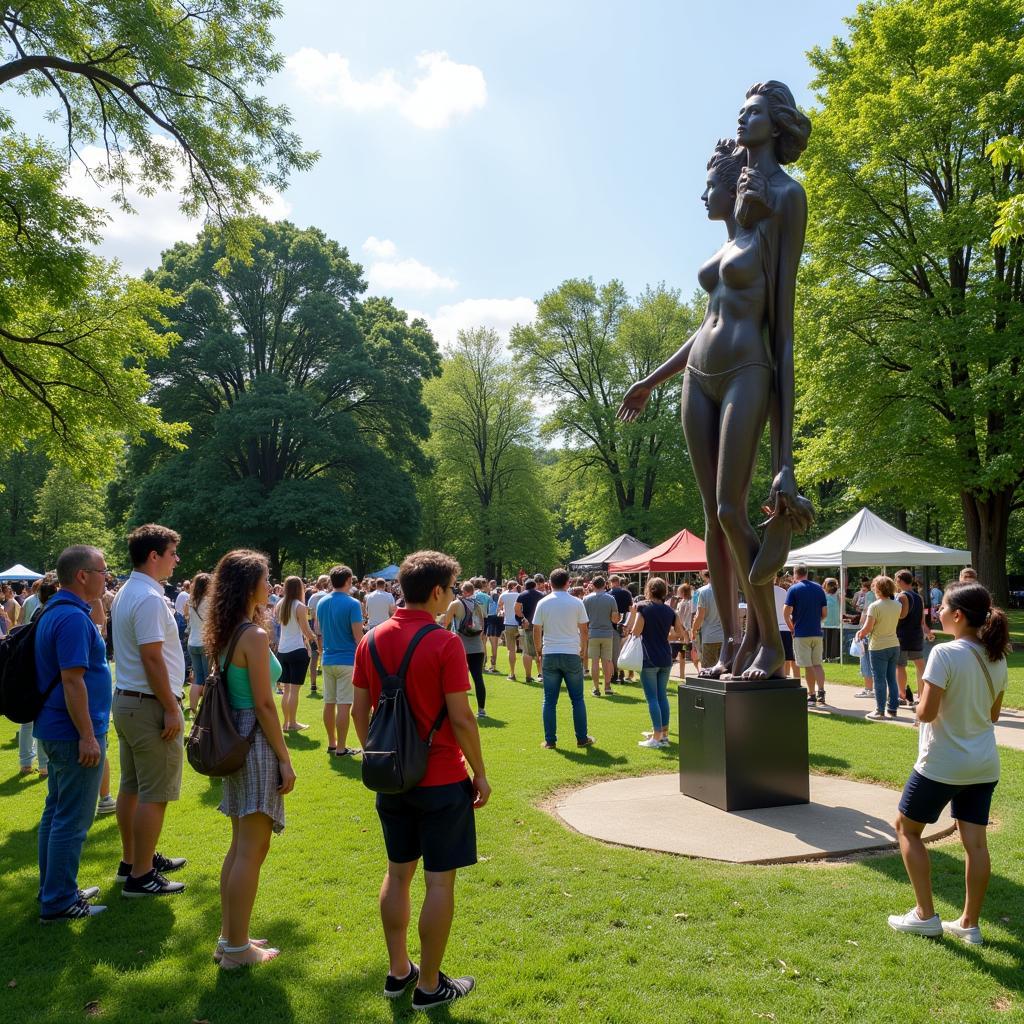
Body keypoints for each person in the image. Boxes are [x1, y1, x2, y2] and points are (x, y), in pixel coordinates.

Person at [618, 88, 815, 681]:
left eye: (755, 110)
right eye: (742, 111)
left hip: (748, 370)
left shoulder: (784, 198)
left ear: (776, 124)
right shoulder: (729, 232)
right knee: (712, 515)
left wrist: (785, 459)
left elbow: (782, 330)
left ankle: (768, 643)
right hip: (698, 376)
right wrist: (651, 380)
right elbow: (706, 322)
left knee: (734, 508)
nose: (743, 116)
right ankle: (732, 643)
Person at [352, 550, 490, 1011]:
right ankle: (429, 985)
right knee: (439, 883)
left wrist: (382, 757)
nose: (451, 598)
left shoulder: (370, 640)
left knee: (397, 873)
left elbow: (359, 711)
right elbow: (462, 718)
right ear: (437, 591)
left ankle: (398, 972)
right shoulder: (444, 643)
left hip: (391, 779)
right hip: (441, 778)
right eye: (450, 590)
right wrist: (481, 772)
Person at [887, 581, 1008, 945]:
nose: (936, 612)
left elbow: (927, 711)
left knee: (906, 830)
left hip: (942, 763)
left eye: (942, 609)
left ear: (957, 615)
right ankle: (969, 923)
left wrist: (916, 706)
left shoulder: (943, 653)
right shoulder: (997, 656)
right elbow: (994, 714)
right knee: (976, 843)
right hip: (983, 764)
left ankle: (925, 915)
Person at [200, 549, 295, 968]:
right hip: (253, 742)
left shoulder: (228, 631)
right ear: (247, 585)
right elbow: (264, 704)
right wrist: (285, 758)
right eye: (265, 577)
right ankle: (237, 949)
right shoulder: (252, 636)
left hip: (236, 742)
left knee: (240, 846)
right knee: (250, 850)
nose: (270, 584)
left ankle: (231, 937)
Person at [33, 547, 112, 921]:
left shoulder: (57, 611)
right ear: (82, 575)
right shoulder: (72, 620)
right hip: (71, 733)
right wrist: (87, 735)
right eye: (102, 570)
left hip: (54, 729)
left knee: (56, 812)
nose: (106, 577)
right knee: (72, 818)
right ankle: (60, 901)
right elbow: (72, 680)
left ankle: (54, 889)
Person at [110, 523, 188, 897]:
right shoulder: (149, 597)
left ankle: (133, 861)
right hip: (148, 704)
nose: (176, 560)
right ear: (154, 556)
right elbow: (152, 658)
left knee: (133, 788)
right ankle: (141, 875)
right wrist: (172, 708)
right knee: (154, 793)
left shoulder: (130, 591)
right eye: (172, 553)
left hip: (130, 701)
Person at [532, 568, 593, 749]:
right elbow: (584, 630)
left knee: (549, 700)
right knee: (577, 699)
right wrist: (583, 649)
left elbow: (536, 629)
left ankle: (550, 741)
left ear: (549, 583)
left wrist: (538, 650)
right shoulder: (576, 602)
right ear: (568, 583)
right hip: (571, 652)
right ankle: (581, 738)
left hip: (550, 652)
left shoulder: (543, 602)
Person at [316, 564, 364, 756]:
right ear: (348, 581)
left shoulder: (321, 602)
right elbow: (358, 636)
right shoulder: (353, 603)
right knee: (344, 704)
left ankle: (332, 743)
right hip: (347, 659)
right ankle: (341, 748)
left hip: (328, 657)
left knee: (329, 702)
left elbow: (320, 631)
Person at [19, 573, 60, 779]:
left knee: (28, 722)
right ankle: (43, 765)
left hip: (28, 669)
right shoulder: (49, 614)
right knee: (41, 717)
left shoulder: (36, 610)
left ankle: (26, 763)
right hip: (40, 671)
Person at [631, 577, 677, 748]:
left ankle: (657, 736)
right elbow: (678, 633)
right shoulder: (670, 611)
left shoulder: (644, 609)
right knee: (661, 696)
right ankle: (663, 734)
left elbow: (636, 631)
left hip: (649, 657)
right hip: (665, 656)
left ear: (648, 590)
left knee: (652, 698)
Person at [856, 575, 903, 721]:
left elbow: (867, 628)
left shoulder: (875, 606)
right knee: (891, 679)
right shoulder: (897, 605)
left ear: (878, 589)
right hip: (894, 644)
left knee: (879, 679)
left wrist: (860, 633)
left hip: (878, 646)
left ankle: (880, 710)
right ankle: (892, 708)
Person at [274, 576, 315, 732]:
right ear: (299, 588)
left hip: (283, 651)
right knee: (294, 691)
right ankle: (292, 723)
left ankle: (286, 723)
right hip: (297, 650)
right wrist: (317, 643)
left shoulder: (280, 604)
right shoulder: (299, 606)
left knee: (287, 690)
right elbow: (306, 630)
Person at [784, 565, 827, 705]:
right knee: (817, 665)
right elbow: (824, 613)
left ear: (795, 574)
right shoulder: (819, 589)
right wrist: (815, 621)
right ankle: (821, 691)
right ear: (807, 573)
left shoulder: (793, 589)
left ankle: (812, 694)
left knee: (808, 666)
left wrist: (792, 628)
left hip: (802, 633)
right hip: (816, 631)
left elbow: (786, 613)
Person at [444, 581, 487, 717]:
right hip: (477, 647)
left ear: (462, 591)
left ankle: (457, 710)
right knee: (478, 678)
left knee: (457, 679)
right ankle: (481, 710)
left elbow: (445, 623)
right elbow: (482, 626)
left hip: (459, 645)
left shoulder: (455, 604)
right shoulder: (478, 604)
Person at [896, 569, 934, 707]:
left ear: (900, 581)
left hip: (903, 635)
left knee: (900, 666)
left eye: (896, 580)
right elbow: (922, 621)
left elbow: (901, 616)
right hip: (916, 634)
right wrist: (927, 632)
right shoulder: (919, 597)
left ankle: (902, 695)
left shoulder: (902, 596)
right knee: (920, 665)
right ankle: (923, 694)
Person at [582, 576, 620, 696]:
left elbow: (584, 619)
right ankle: (607, 687)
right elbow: (615, 619)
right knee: (607, 661)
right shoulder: (611, 599)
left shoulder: (586, 599)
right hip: (607, 633)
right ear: (605, 585)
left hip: (593, 632)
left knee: (594, 662)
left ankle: (596, 687)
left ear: (593, 585)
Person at [184, 572, 211, 715]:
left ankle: (193, 708)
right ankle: (206, 709)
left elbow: (186, 615)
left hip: (192, 642)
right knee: (208, 678)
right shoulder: (210, 601)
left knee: (197, 678)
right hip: (205, 642)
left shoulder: (190, 600)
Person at [691, 569, 723, 671]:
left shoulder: (702, 592)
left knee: (709, 671)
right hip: (726, 637)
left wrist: (693, 630)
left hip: (710, 637)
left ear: (706, 576)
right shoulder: (728, 589)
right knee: (725, 670)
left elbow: (700, 616)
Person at [515, 579, 544, 683]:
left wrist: (523, 619)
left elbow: (517, 610)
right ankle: (541, 674)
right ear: (535, 585)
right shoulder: (542, 595)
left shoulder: (522, 595)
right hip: (540, 626)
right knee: (540, 651)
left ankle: (528, 676)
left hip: (527, 626)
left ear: (525, 586)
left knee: (527, 652)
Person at [607, 575, 633, 683]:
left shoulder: (608, 595)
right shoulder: (627, 593)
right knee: (623, 649)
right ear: (619, 582)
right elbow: (631, 609)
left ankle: (616, 673)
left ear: (610, 582)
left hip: (612, 624)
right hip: (625, 624)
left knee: (614, 651)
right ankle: (623, 672)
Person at [307, 574, 331, 695]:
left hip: (314, 630)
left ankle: (313, 684)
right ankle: (328, 685)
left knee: (314, 658)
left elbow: (309, 616)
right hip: (327, 631)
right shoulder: (328, 597)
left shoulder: (313, 597)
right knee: (326, 657)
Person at [773, 574, 796, 678]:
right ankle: (786, 677)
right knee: (787, 657)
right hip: (784, 628)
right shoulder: (783, 592)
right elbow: (789, 611)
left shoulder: (762, 592)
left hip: (772, 629)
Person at [497, 581, 521, 681]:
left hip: (509, 624)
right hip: (520, 624)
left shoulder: (503, 595)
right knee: (527, 651)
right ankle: (533, 674)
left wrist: (503, 610)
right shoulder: (520, 595)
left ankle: (512, 673)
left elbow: (499, 607)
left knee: (511, 650)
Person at [484, 584, 502, 673]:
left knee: (490, 643)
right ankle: (492, 665)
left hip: (491, 618)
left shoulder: (489, 598)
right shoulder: (497, 599)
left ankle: (490, 664)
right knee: (494, 645)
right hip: (496, 619)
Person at [823, 577, 841, 662]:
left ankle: (833, 656)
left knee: (833, 639)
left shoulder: (838, 594)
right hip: (826, 621)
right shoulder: (823, 594)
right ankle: (826, 656)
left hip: (835, 621)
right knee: (827, 639)